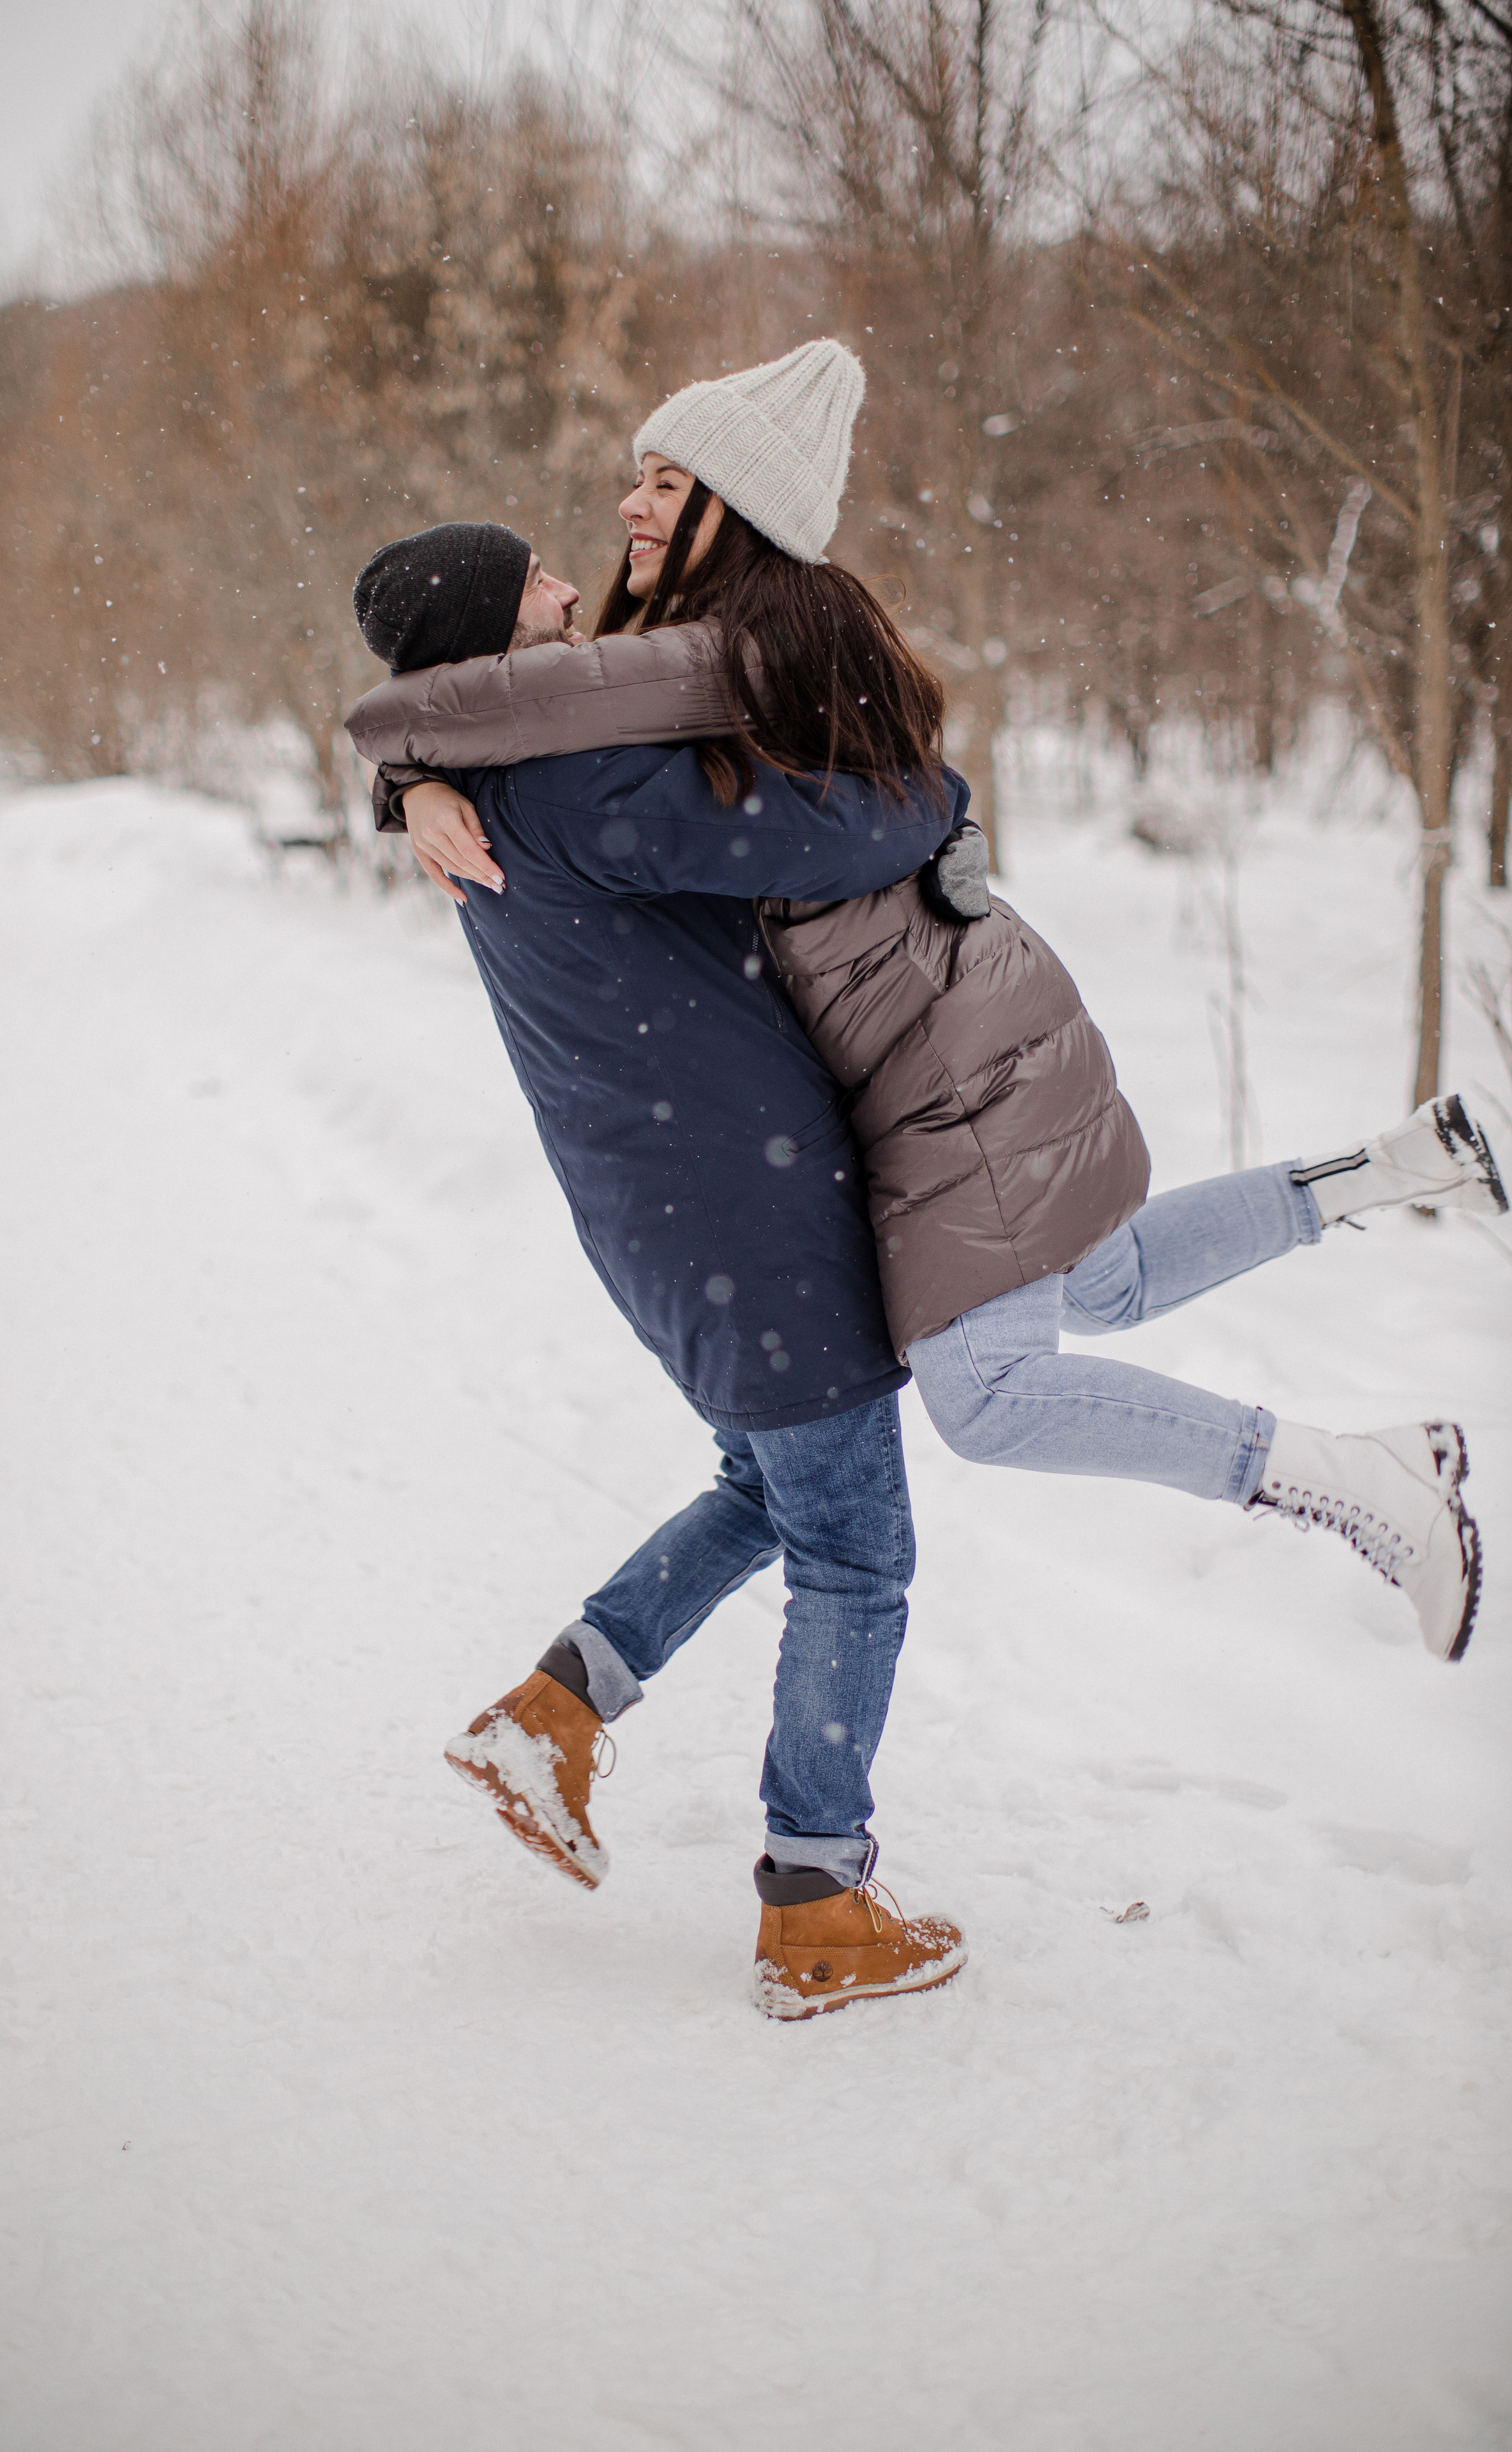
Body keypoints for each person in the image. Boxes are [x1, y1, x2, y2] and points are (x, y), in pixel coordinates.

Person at [352, 342, 1498, 1708]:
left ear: (739, 504)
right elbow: (498, 692)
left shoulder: (752, 647)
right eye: (634, 479)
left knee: (991, 1396)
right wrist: (407, 772)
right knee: (1106, 1276)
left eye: (664, 481)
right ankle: (1392, 1168)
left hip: (937, 1041)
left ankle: (1355, 1481)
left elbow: (843, 799)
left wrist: (407, 752)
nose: (627, 509)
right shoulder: (678, 662)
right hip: (921, 1026)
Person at [346, 349, 981, 2020]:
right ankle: (818, 1905)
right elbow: (821, 841)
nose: (581, 565)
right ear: (503, 637)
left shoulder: (496, 759)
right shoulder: (576, 774)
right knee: (855, 1545)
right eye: (542, 577)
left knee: (772, 1499)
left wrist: (397, 777)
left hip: (664, 1211)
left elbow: (424, 715)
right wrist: (943, 797)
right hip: (744, 1211)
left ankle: (551, 1720)